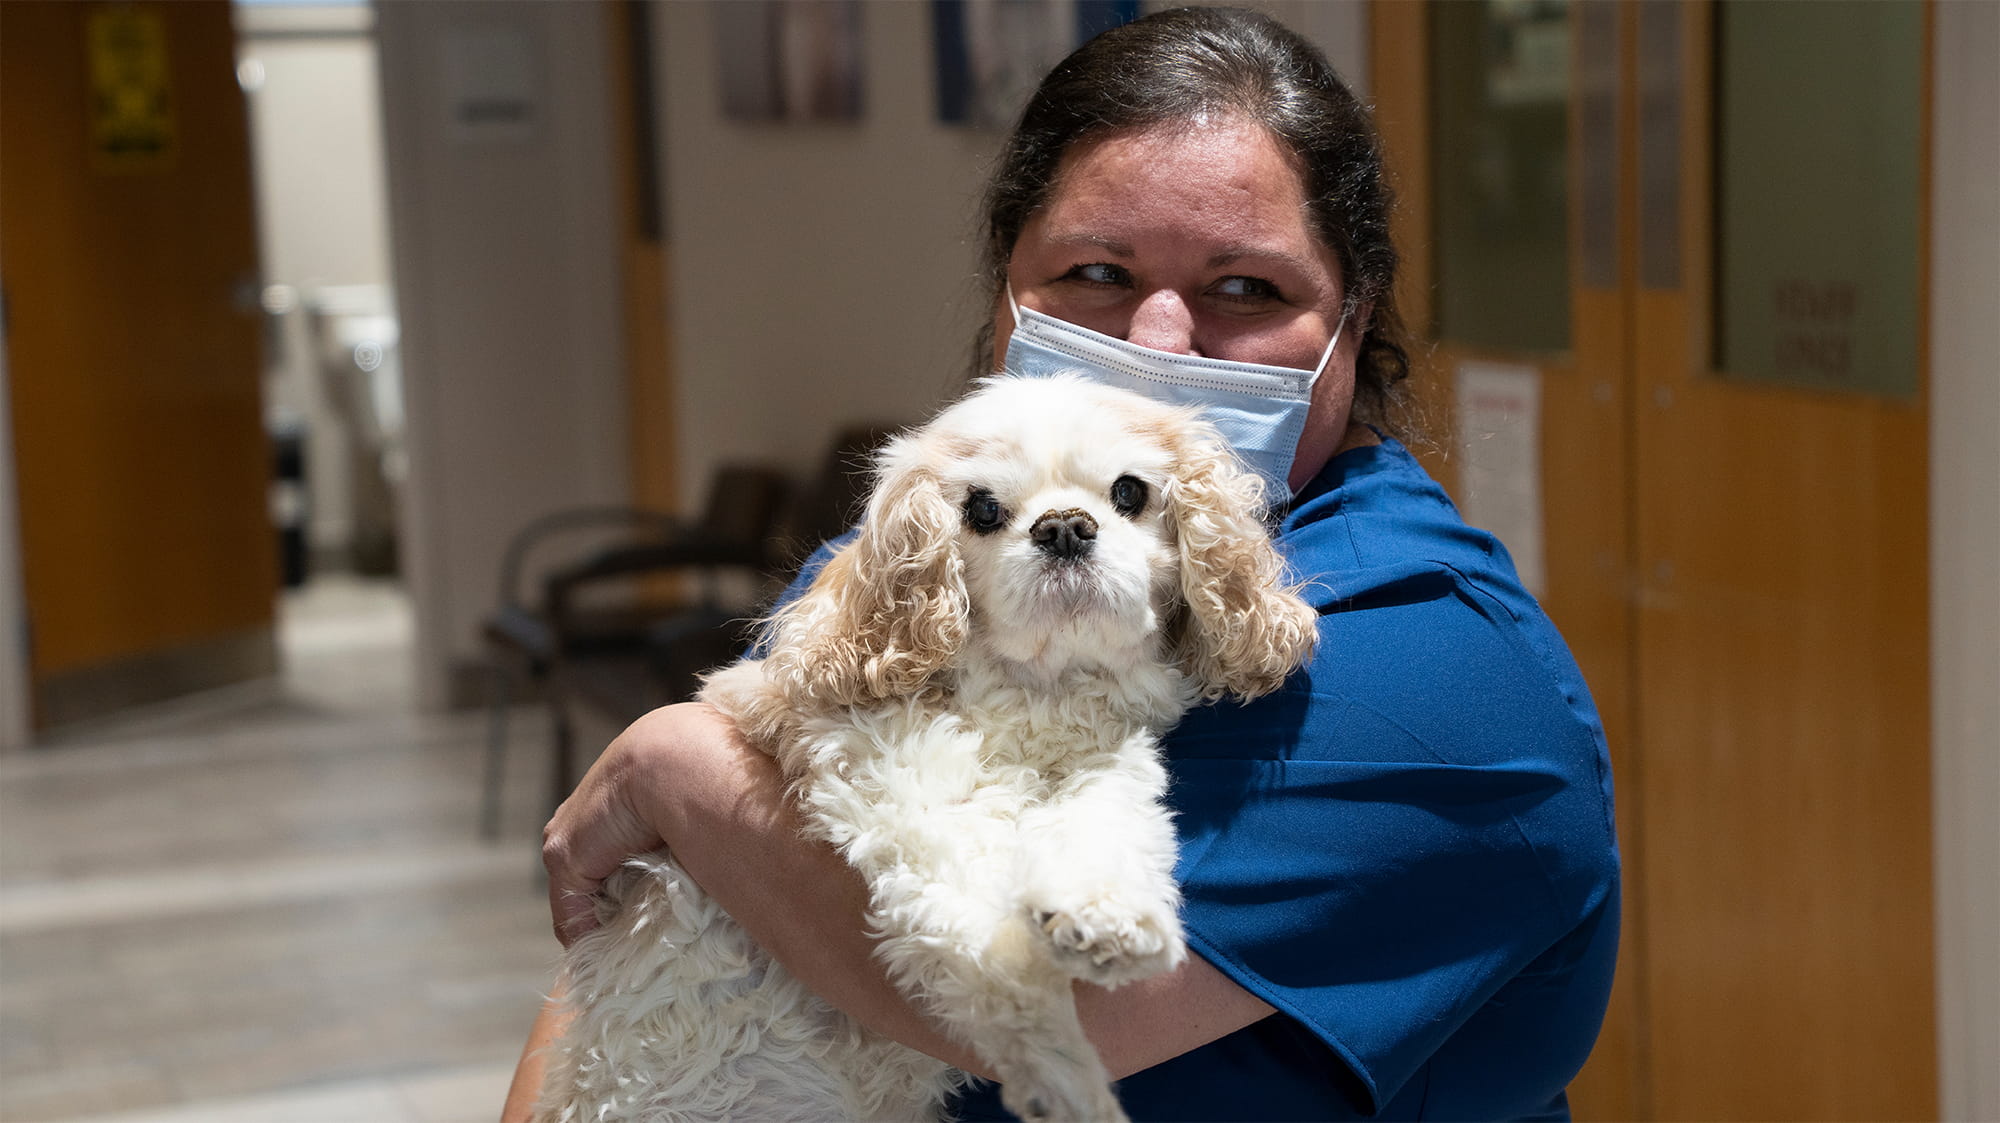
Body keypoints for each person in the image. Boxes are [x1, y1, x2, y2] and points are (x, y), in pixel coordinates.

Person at [506, 8, 1619, 1122]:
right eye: (1096, 271)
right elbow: (652, 931)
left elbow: (1051, 1010)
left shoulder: (1431, 672)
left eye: (1247, 288)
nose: (1158, 341)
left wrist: (674, 767)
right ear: (1008, 293)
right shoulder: (947, 541)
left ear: (1351, 318)